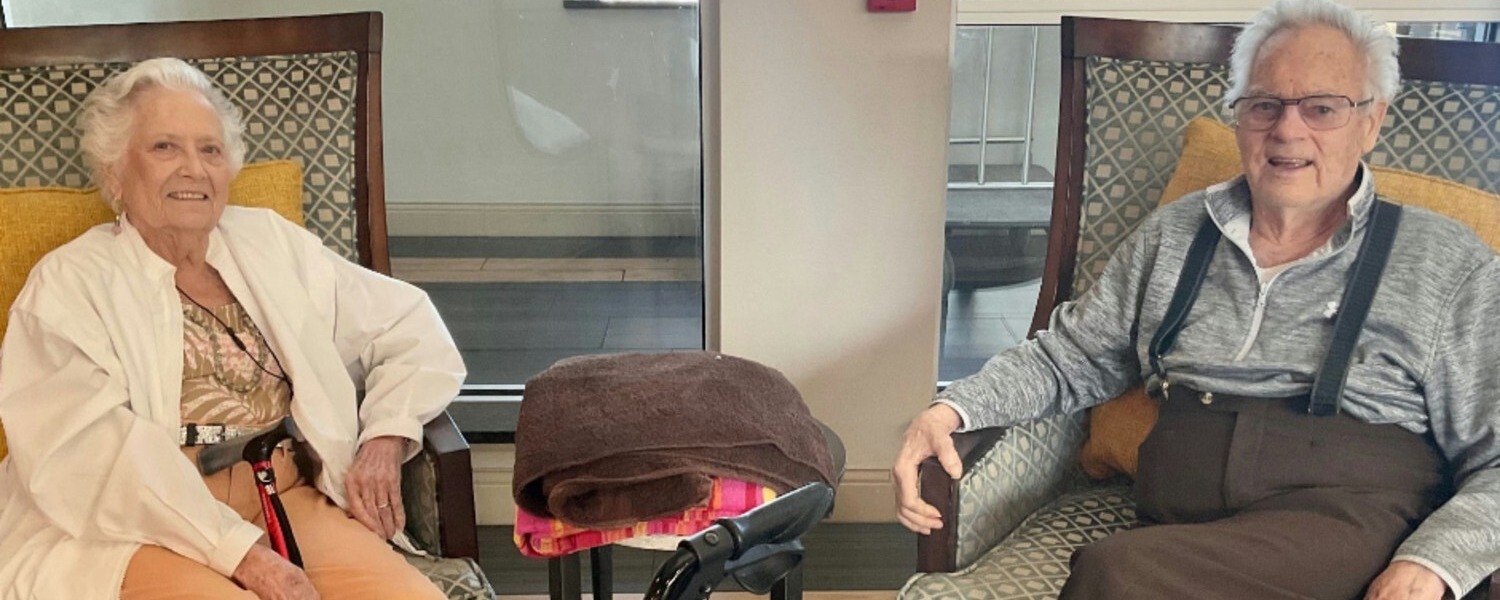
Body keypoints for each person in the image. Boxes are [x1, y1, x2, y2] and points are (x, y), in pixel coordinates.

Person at [892, 1, 1500, 598]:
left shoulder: (1443, 261)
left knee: (1117, 575)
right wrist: (953, 410)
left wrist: (1436, 561)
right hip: (1181, 525)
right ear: (1239, 117)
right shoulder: (1176, 234)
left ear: (1371, 121)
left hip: (1343, 518)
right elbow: (1072, 357)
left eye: (1322, 108)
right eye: (1264, 105)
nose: (1288, 129)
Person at [0, 58, 466, 600]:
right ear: (114, 173)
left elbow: (408, 325)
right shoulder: (67, 284)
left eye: (210, 149)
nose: (193, 169)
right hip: (137, 527)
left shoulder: (267, 242)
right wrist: (246, 557)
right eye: (164, 147)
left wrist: (385, 436)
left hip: (282, 493)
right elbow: (94, 456)